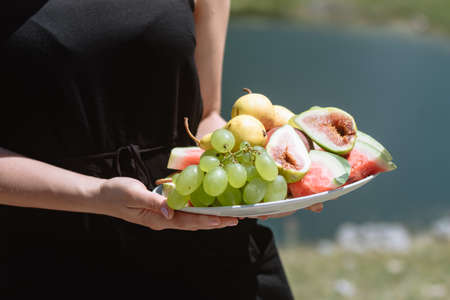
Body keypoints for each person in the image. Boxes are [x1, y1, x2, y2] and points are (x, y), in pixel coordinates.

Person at [0, 0, 323, 298]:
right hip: (48, 252)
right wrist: (96, 195)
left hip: (206, 247)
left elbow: (207, 114)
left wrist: (264, 184)